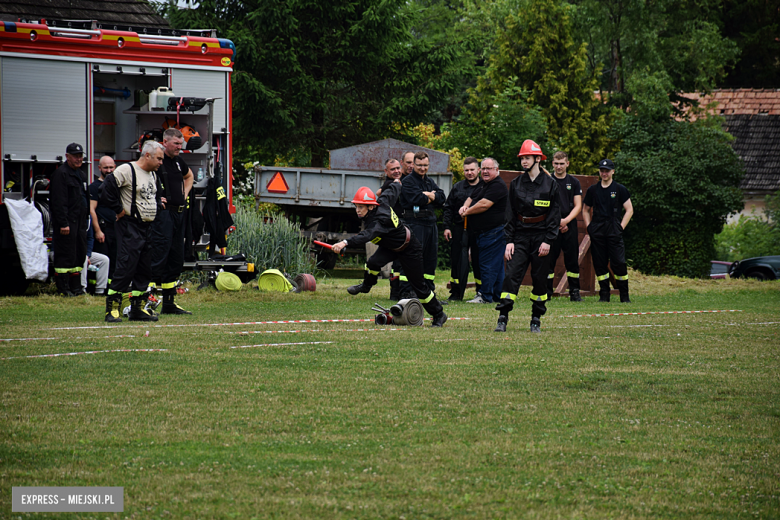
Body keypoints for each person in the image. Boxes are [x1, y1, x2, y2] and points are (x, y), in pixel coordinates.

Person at [331, 183, 447, 327]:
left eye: (361, 207)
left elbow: (367, 235)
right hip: (391, 247)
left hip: (409, 247)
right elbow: (393, 190)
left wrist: (345, 242)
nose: (357, 210)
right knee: (373, 262)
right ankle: (366, 286)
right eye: (356, 206)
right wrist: (396, 182)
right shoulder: (383, 200)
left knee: (419, 287)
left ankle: (439, 314)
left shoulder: (380, 220)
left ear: (371, 207)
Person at [494, 140, 560, 333]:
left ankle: (536, 319)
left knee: (540, 279)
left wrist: (548, 240)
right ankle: (502, 317)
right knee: (511, 276)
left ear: (538, 159)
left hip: (541, 237)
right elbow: (510, 214)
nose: (524, 161)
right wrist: (509, 241)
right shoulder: (515, 184)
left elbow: (555, 216)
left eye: (527, 158)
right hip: (520, 236)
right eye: (522, 158)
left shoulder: (551, 185)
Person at [101, 140, 164, 322]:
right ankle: (112, 308)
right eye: (158, 158)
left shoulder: (153, 174)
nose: (161, 162)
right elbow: (106, 189)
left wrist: (158, 205)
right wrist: (119, 210)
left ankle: (138, 308)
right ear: (147, 155)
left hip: (147, 227)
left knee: (144, 269)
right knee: (125, 266)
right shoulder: (127, 170)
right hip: (130, 225)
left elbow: (154, 195)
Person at [149, 128, 194, 314]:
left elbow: (189, 176)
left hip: (179, 214)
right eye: (176, 144)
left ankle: (169, 303)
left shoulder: (178, 161)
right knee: (158, 256)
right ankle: (146, 301)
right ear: (165, 142)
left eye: (181, 144)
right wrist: (155, 198)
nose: (179, 147)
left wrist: (184, 195)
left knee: (176, 258)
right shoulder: (156, 160)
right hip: (163, 216)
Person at [582, 158, 634, 303]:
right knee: (599, 263)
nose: (604, 173)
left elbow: (629, 210)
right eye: (602, 170)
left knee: (618, 263)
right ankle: (604, 295)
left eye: (607, 171)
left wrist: (621, 227)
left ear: (613, 172)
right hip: (597, 230)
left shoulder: (620, 189)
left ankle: (624, 295)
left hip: (614, 230)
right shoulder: (593, 189)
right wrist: (589, 227)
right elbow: (585, 210)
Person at [458, 157, 508, 304]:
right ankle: (496, 296)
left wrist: (467, 212)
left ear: (497, 170)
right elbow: (472, 197)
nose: (485, 171)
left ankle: (485, 296)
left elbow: (484, 204)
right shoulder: (484, 184)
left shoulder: (497, 185)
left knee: (487, 265)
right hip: (486, 232)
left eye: (489, 169)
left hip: (493, 232)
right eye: (483, 168)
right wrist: (464, 206)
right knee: (497, 266)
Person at [399, 151, 445, 297]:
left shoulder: (429, 181)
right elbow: (417, 199)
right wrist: (431, 195)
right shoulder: (407, 181)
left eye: (425, 165)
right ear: (413, 164)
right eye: (419, 165)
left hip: (430, 224)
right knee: (413, 258)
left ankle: (429, 294)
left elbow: (442, 197)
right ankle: (407, 292)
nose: (422, 168)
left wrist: (429, 195)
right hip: (414, 223)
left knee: (430, 260)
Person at [49, 142, 89, 296]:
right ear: (67, 157)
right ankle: (63, 289)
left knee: (78, 254)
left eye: (80, 156)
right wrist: (63, 223)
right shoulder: (61, 174)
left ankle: (76, 288)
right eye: (75, 156)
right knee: (65, 255)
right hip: (67, 223)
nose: (79, 159)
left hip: (79, 223)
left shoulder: (81, 175)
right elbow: (58, 202)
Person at [443, 157, 483, 301]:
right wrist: (447, 227)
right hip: (459, 228)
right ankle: (456, 293)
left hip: (479, 230)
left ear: (478, 170)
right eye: (466, 170)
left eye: (472, 170)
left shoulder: (485, 187)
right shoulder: (458, 187)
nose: (470, 173)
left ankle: (481, 292)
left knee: (479, 261)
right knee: (457, 260)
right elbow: (448, 208)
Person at [547, 151, 583, 301]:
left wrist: (566, 221)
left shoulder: (574, 182)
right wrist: (557, 223)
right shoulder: (547, 181)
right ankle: (546, 292)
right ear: (552, 164)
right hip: (551, 226)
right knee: (548, 260)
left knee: (572, 260)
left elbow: (578, 206)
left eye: (562, 163)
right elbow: (545, 206)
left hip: (570, 225)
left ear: (567, 164)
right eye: (556, 163)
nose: (559, 166)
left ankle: (574, 292)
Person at [376, 158, 404, 298]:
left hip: (399, 226)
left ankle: (396, 292)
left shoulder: (396, 182)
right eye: (392, 169)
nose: (396, 171)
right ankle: (395, 292)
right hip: (394, 229)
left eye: (398, 168)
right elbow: (378, 193)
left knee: (398, 261)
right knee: (397, 262)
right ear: (386, 171)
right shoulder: (391, 184)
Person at [89, 156, 118, 284]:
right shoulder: (95, 187)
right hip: (103, 229)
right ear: (99, 168)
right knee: (103, 258)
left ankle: (110, 286)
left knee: (115, 259)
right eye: (106, 167)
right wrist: (98, 231)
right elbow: (91, 210)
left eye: (111, 167)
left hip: (116, 228)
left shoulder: (118, 186)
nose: (109, 170)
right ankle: (96, 285)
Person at [81, 216, 110, 295]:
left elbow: (90, 238)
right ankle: (82, 289)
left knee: (104, 260)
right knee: (83, 258)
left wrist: (88, 254)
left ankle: (100, 291)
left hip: (85, 252)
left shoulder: (88, 218)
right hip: (74, 252)